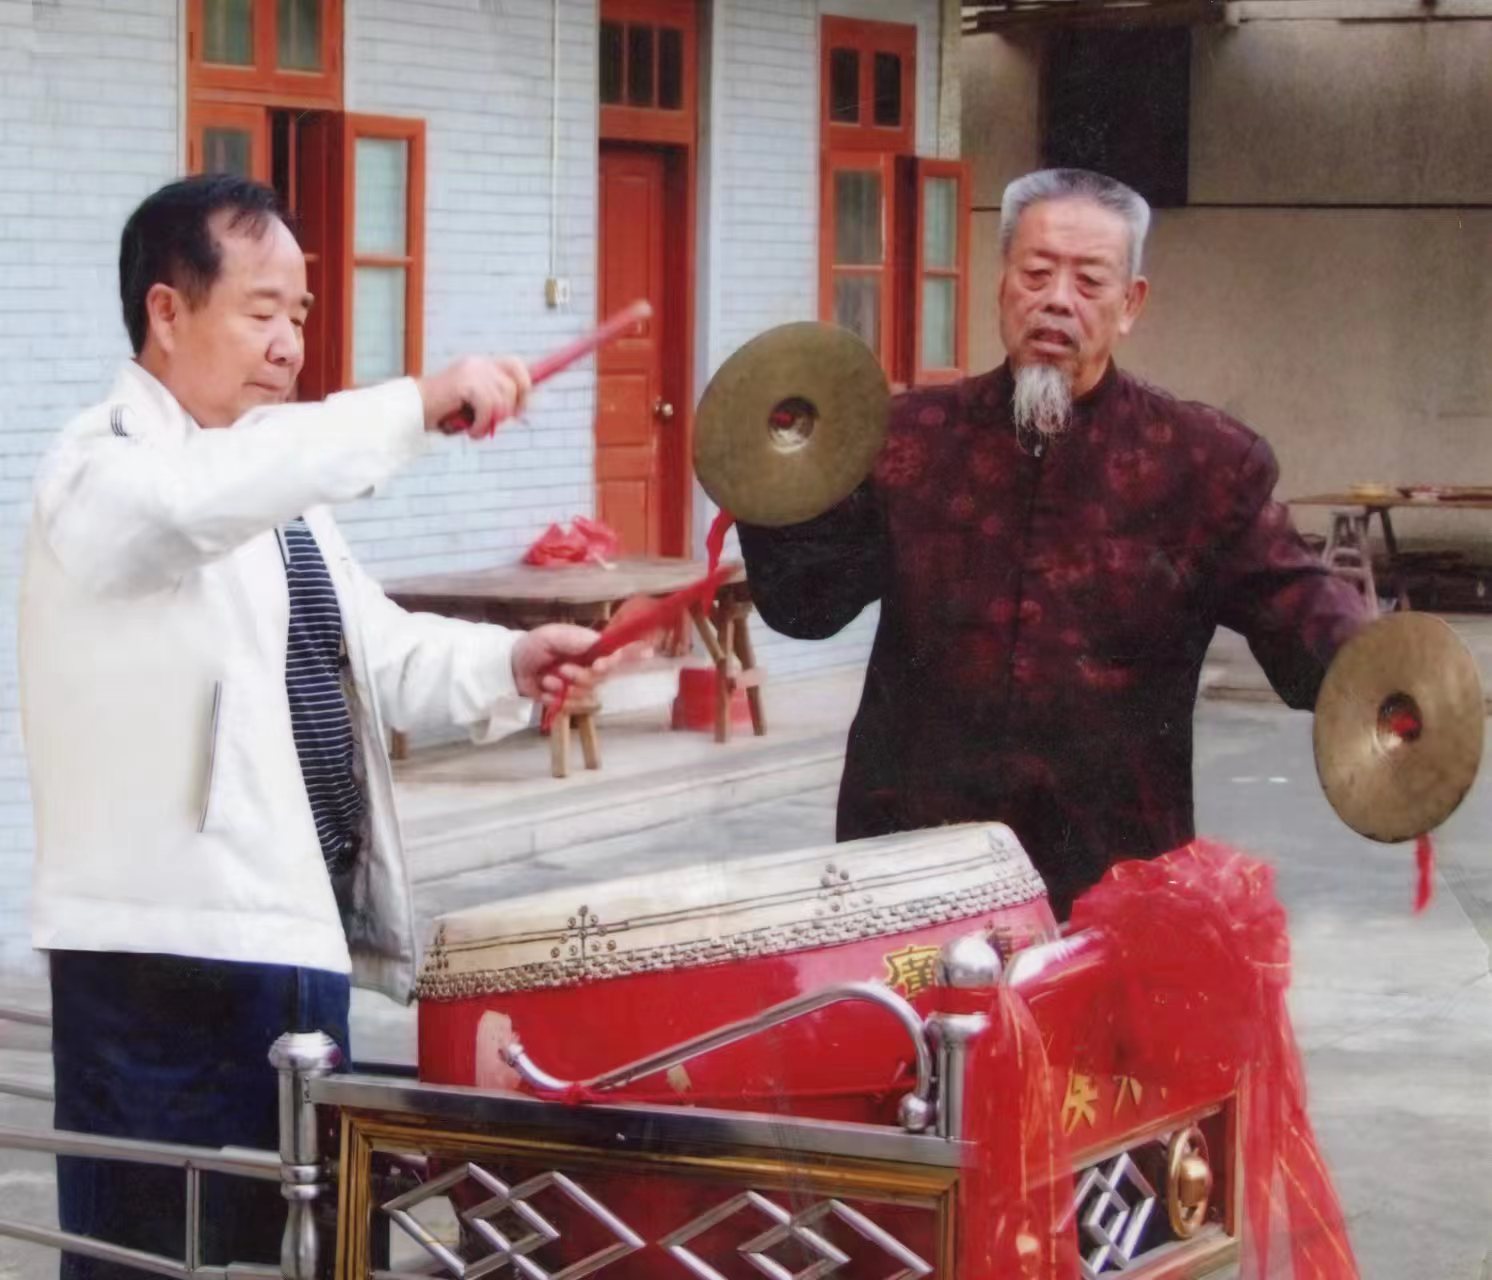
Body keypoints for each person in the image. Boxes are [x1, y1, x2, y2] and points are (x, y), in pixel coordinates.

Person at [19, 174, 622, 1276]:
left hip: (298, 947)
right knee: (152, 1259)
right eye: (261, 310)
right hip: (161, 962)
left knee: (310, 1254)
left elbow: (374, 654)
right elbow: (194, 502)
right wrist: (415, 405)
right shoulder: (99, 470)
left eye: (299, 314)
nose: (289, 344)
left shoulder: (279, 495)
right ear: (166, 311)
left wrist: (511, 663)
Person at [738, 167, 1371, 918]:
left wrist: (1387, 679)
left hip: (1111, 873)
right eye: (1036, 274)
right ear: (1002, 283)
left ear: (1130, 304)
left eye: (1089, 281)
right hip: (914, 857)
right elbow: (807, 604)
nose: (1057, 300)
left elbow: (1296, 609)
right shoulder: (909, 442)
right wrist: (767, 480)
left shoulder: (1200, 463)